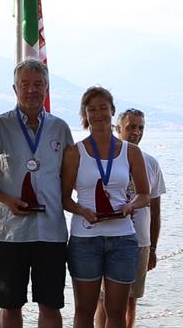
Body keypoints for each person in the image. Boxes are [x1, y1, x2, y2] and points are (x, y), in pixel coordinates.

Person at [0, 59, 73, 328]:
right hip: (9, 233)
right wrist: (6, 200)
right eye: (25, 84)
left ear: (47, 88)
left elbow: (71, 179)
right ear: (14, 88)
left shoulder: (60, 128)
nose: (32, 90)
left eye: (38, 85)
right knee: (9, 306)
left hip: (51, 231)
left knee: (51, 305)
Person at [61, 86, 150, 328]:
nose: (98, 114)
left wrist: (130, 206)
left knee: (116, 311)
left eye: (103, 108)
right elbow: (64, 198)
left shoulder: (131, 152)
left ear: (112, 112)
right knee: (84, 311)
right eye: (92, 109)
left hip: (122, 238)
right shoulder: (74, 152)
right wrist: (82, 211)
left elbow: (144, 194)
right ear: (85, 115)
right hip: (85, 238)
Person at [95, 108, 166, 328]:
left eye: (140, 127)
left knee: (131, 300)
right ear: (118, 128)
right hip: (107, 238)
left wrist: (152, 248)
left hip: (139, 243)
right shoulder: (104, 160)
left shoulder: (151, 163)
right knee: (103, 300)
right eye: (131, 127)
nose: (136, 132)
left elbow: (155, 211)